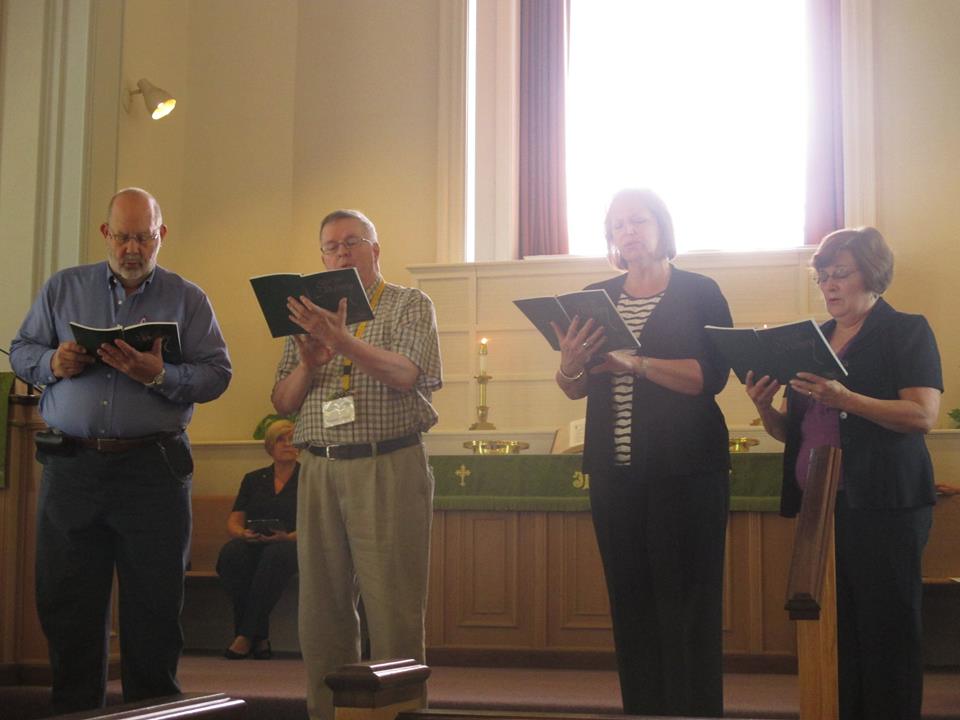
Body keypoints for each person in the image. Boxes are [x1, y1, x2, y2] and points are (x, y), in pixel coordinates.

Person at [9, 187, 232, 713]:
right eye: (124, 236)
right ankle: (74, 710)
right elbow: (22, 351)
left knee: (154, 606)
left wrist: (162, 375)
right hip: (72, 465)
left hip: (152, 469)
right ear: (105, 233)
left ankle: (151, 709)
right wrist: (52, 365)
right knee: (68, 604)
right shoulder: (64, 288)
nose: (133, 248)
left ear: (162, 235)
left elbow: (218, 374)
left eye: (144, 237)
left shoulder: (188, 298)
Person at [745, 227, 942, 720]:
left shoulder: (905, 330)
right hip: (820, 507)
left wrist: (846, 398)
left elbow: (922, 415)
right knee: (837, 630)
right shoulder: (810, 339)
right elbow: (793, 431)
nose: (829, 286)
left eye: (840, 275)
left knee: (888, 630)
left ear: (871, 275)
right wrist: (765, 407)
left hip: (884, 504)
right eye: (822, 277)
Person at [553, 188, 732, 717]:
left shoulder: (700, 291)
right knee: (630, 602)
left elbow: (709, 378)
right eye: (618, 225)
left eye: (639, 221)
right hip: (616, 475)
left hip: (688, 474)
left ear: (661, 227)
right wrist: (569, 362)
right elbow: (573, 388)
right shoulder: (595, 295)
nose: (628, 232)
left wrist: (640, 364)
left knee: (688, 604)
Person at [271, 209, 441, 720]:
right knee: (320, 617)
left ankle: (399, 715)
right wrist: (308, 361)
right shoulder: (304, 318)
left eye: (352, 242)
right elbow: (282, 403)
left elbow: (407, 373)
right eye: (330, 246)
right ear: (321, 257)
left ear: (375, 249)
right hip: (319, 468)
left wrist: (342, 341)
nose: (341, 252)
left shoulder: (409, 304)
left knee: (393, 614)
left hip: (385, 464)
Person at [217, 419, 300, 660]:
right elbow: (234, 521)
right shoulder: (253, 479)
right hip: (256, 543)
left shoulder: (310, 477)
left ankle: (244, 636)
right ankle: (259, 637)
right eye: (281, 440)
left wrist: (288, 536)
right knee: (232, 555)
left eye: (292, 439)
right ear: (270, 447)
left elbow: (315, 523)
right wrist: (243, 534)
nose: (287, 444)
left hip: (293, 544)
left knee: (275, 555)